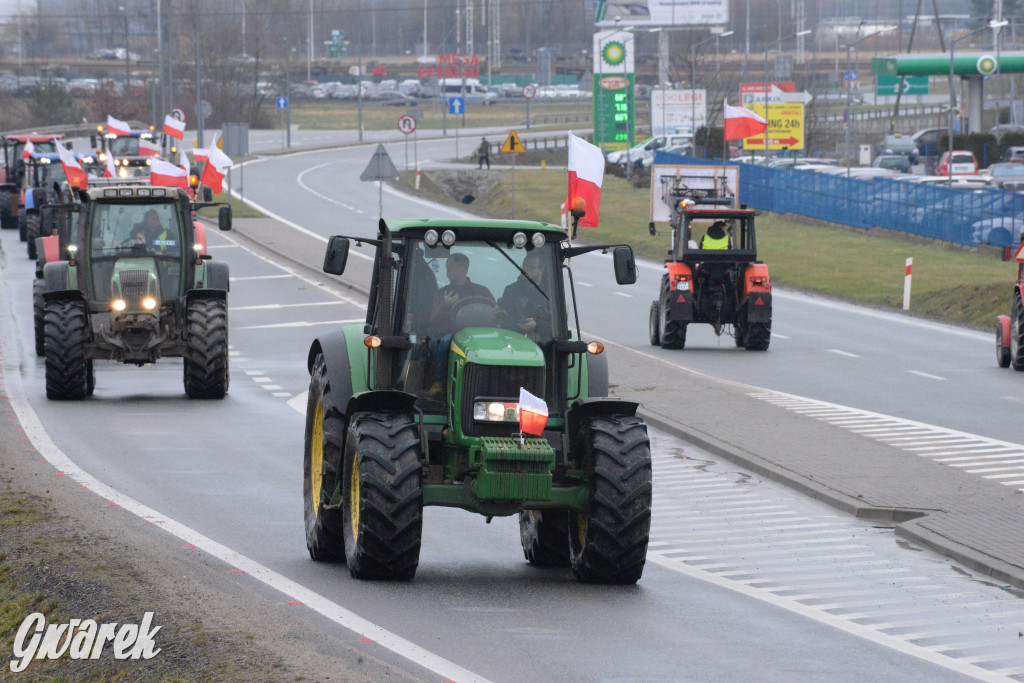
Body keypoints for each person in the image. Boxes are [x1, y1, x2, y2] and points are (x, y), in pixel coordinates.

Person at [429, 253, 495, 394]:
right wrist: (444, 305)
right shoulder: (442, 293)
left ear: (464, 270)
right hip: (454, 334)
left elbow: (495, 311)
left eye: (452, 269)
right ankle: (439, 381)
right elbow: (433, 320)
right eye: (447, 269)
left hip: (481, 335)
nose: (448, 272)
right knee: (445, 343)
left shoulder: (482, 291)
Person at [497, 251, 550, 340]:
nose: (525, 270)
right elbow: (502, 317)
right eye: (524, 266)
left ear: (541, 270)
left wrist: (536, 325)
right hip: (512, 339)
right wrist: (517, 326)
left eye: (531, 268)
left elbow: (556, 327)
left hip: (542, 345)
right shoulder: (511, 290)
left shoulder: (550, 293)